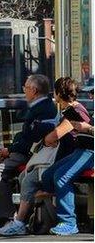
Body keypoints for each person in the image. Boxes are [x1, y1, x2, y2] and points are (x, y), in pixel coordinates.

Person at [0, 77, 91, 235]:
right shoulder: (67, 111)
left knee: (57, 177)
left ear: (58, 93)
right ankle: (29, 216)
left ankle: (67, 221)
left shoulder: (75, 110)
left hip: (84, 152)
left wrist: (50, 138)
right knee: (44, 176)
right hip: (71, 154)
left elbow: (52, 136)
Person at [0, 74, 58, 228]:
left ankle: (8, 216)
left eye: (26, 88)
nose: (24, 91)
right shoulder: (37, 107)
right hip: (21, 150)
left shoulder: (44, 109)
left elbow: (32, 139)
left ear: (34, 90)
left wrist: (9, 150)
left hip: (31, 154)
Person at [38, 79, 94, 236]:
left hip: (91, 152)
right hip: (81, 149)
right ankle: (54, 197)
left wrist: (87, 128)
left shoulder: (80, 109)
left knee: (62, 177)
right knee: (49, 175)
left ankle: (68, 222)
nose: (91, 96)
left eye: (93, 93)